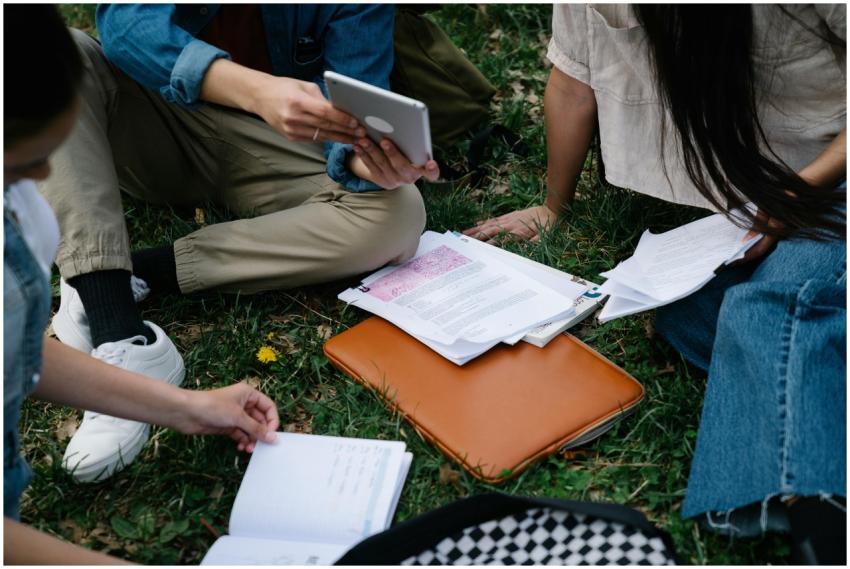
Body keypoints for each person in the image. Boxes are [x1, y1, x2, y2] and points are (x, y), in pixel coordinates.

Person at [466, 4, 846, 564]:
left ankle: (823, 520)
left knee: (769, 309)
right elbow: (573, 80)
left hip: (828, 178)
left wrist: (797, 193)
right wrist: (553, 206)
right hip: (748, 209)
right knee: (685, 320)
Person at [40, 4, 438, 482]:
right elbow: (125, 28)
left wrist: (367, 163)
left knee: (400, 212)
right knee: (48, 53)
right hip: (153, 121)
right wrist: (255, 90)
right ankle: (119, 332)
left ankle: (137, 274)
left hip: (274, 151)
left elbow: (356, 109)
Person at [4, 6, 280, 562]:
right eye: (25, 163)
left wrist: (186, 407)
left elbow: (16, 353)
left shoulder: (22, 213)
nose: (39, 183)